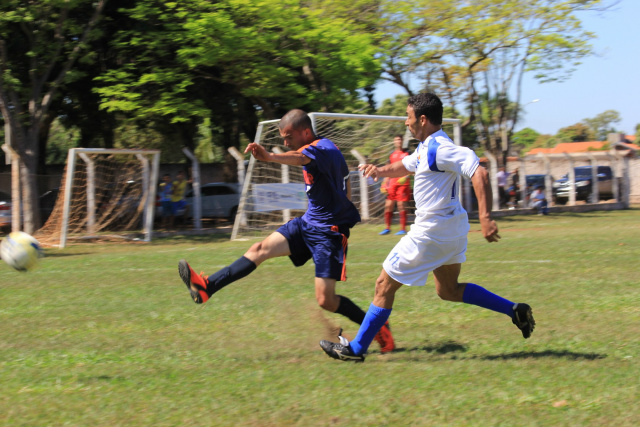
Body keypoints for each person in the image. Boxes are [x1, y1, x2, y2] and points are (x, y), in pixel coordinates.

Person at [319, 93, 535, 362]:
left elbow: (479, 172)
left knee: (383, 285)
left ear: (422, 119)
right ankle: (514, 310)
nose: (406, 124)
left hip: (431, 231)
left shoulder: (440, 148)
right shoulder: (425, 148)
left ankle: (356, 350)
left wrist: (486, 217)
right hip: (452, 231)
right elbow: (405, 165)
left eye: (408, 118)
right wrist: (379, 171)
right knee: (448, 290)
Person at [177, 109, 394, 353]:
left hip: (328, 234)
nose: (285, 142)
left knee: (326, 300)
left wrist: (269, 157)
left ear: (306, 132)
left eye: (288, 136)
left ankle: (378, 329)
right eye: (283, 138)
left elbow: (300, 158)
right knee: (259, 249)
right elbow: (340, 188)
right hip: (307, 224)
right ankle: (207, 288)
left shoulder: (322, 148)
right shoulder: (320, 150)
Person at [379, 135, 411, 235]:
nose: (398, 141)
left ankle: (402, 229)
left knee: (401, 205)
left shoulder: (407, 153)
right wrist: (384, 183)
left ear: (402, 141)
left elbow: (413, 167)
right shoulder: (391, 155)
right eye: (396, 139)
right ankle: (387, 227)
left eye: (400, 139)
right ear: (394, 142)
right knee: (388, 205)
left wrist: (405, 177)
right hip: (392, 183)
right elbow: (389, 169)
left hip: (403, 183)